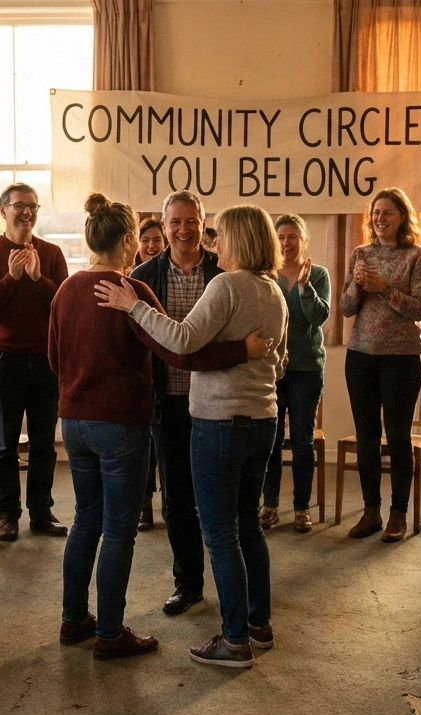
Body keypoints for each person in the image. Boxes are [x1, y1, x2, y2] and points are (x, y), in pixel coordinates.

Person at [50, 194, 255, 660]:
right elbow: (179, 352)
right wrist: (242, 351)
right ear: (128, 240)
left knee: (86, 520)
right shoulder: (132, 292)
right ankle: (109, 633)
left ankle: (72, 620)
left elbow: (53, 357)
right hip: (120, 424)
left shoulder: (65, 290)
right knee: (120, 530)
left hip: (74, 422)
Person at [97, 204, 288, 669]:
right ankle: (258, 624)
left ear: (239, 240)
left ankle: (234, 641)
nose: (211, 242)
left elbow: (182, 341)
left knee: (220, 534)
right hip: (262, 419)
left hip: (220, 422)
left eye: (218, 235)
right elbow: (279, 363)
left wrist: (133, 306)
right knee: (246, 526)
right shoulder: (274, 292)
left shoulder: (225, 284)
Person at [128, 191, 218, 616]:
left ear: (203, 222)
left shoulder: (223, 270)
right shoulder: (142, 275)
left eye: (191, 221)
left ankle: (233, 583)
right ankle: (189, 584)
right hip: (167, 404)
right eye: (175, 222)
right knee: (178, 498)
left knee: (218, 495)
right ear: (162, 226)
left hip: (215, 401)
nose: (184, 230)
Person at [0, 183, 70, 542]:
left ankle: (41, 513)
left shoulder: (52, 253)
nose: (26, 212)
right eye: (19, 206)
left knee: (44, 444)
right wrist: (11, 279)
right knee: (5, 445)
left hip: (45, 360)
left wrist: (36, 278)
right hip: (3, 360)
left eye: (32, 206)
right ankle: (7, 516)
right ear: (3, 210)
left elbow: (64, 307)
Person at [340, 188, 421, 543]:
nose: (380, 219)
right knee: (366, 437)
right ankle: (370, 511)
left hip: (401, 359)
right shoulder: (360, 254)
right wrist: (359, 289)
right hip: (360, 357)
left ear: (402, 217)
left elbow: (420, 308)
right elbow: (347, 307)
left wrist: (382, 288)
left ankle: (398, 513)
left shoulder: (417, 256)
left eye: (388, 213)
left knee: (396, 437)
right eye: (376, 213)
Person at [259, 214, 330, 533]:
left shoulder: (318, 274)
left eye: (293, 237)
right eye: (281, 237)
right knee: (270, 442)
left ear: (304, 241)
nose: (287, 243)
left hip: (306, 370)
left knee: (302, 441)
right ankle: (270, 505)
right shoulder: (265, 275)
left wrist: (303, 287)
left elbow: (318, 316)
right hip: (271, 371)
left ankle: (302, 508)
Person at [135, 219, 167, 529]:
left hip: (171, 366)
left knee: (168, 447)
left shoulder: (165, 273)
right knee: (145, 447)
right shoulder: (134, 277)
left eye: (157, 239)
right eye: (145, 239)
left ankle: (172, 504)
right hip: (143, 373)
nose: (151, 245)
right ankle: (144, 506)